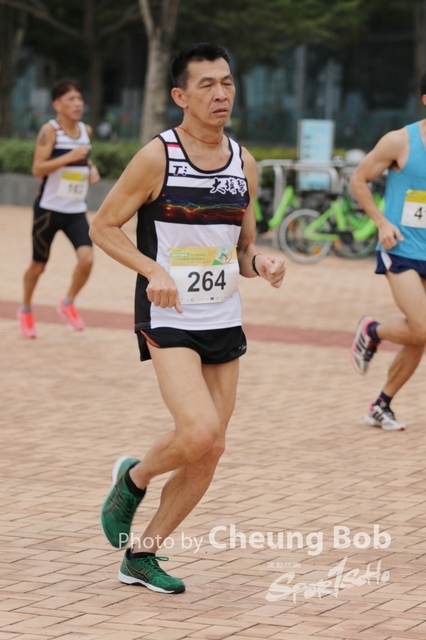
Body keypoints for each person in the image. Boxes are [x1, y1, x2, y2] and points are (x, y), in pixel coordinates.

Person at [90, 42, 286, 594]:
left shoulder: (243, 162)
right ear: (180, 95)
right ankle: (134, 479)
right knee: (198, 431)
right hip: (169, 313)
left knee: (211, 447)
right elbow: (103, 226)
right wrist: (152, 268)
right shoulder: (159, 157)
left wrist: (262, 263)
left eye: (227, 82)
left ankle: (141, 555)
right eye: (207, 84)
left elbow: (242, 248)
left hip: (223, 316)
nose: (221, 93)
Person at [350, 72, 426, 431]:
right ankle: (373, 330)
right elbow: (358, 179)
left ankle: (381, 405)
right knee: (422, 328)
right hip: (402, 249)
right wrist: (381, 222)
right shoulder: (400, 141)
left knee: (420, 336)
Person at [18, 79, 101, 338]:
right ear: (57, 104)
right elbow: (37, 168)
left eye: (80, 99)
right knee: (38, 266)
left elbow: (84, 157)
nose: (78, 104)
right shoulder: (50, 130)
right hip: (48, 210)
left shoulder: (86, 130)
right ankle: (26, 310)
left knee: (87, 260)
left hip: (75, 209)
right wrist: (69, 157)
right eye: (71, 99)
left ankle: (67, 303)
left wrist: (91, 167)